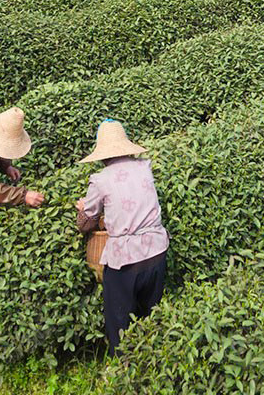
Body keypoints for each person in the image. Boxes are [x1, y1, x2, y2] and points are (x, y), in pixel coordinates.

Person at [76, 119, 169, 355]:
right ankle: (154, 359)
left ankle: (122, 367)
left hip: (126, 260)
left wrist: (82, 208)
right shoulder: (144, 167)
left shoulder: (100, 180)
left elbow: (85, 224)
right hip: (157, 251)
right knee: (151, 313)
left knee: (119, 320)